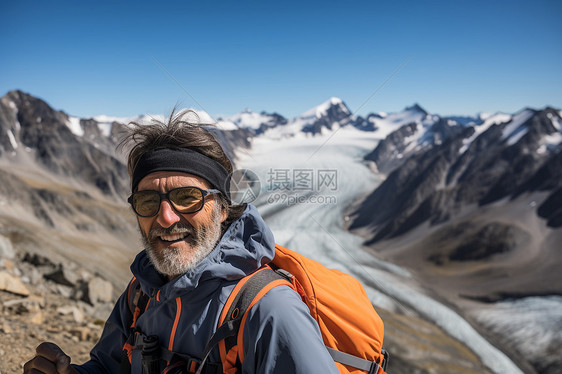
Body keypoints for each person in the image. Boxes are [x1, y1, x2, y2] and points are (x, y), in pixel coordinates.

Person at [24, 111, 339, 374]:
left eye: (187, 197)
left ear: (224, 207)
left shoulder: (268, 312)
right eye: (147, 201)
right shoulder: (141, 294)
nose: (166, 217)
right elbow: (108, 366)